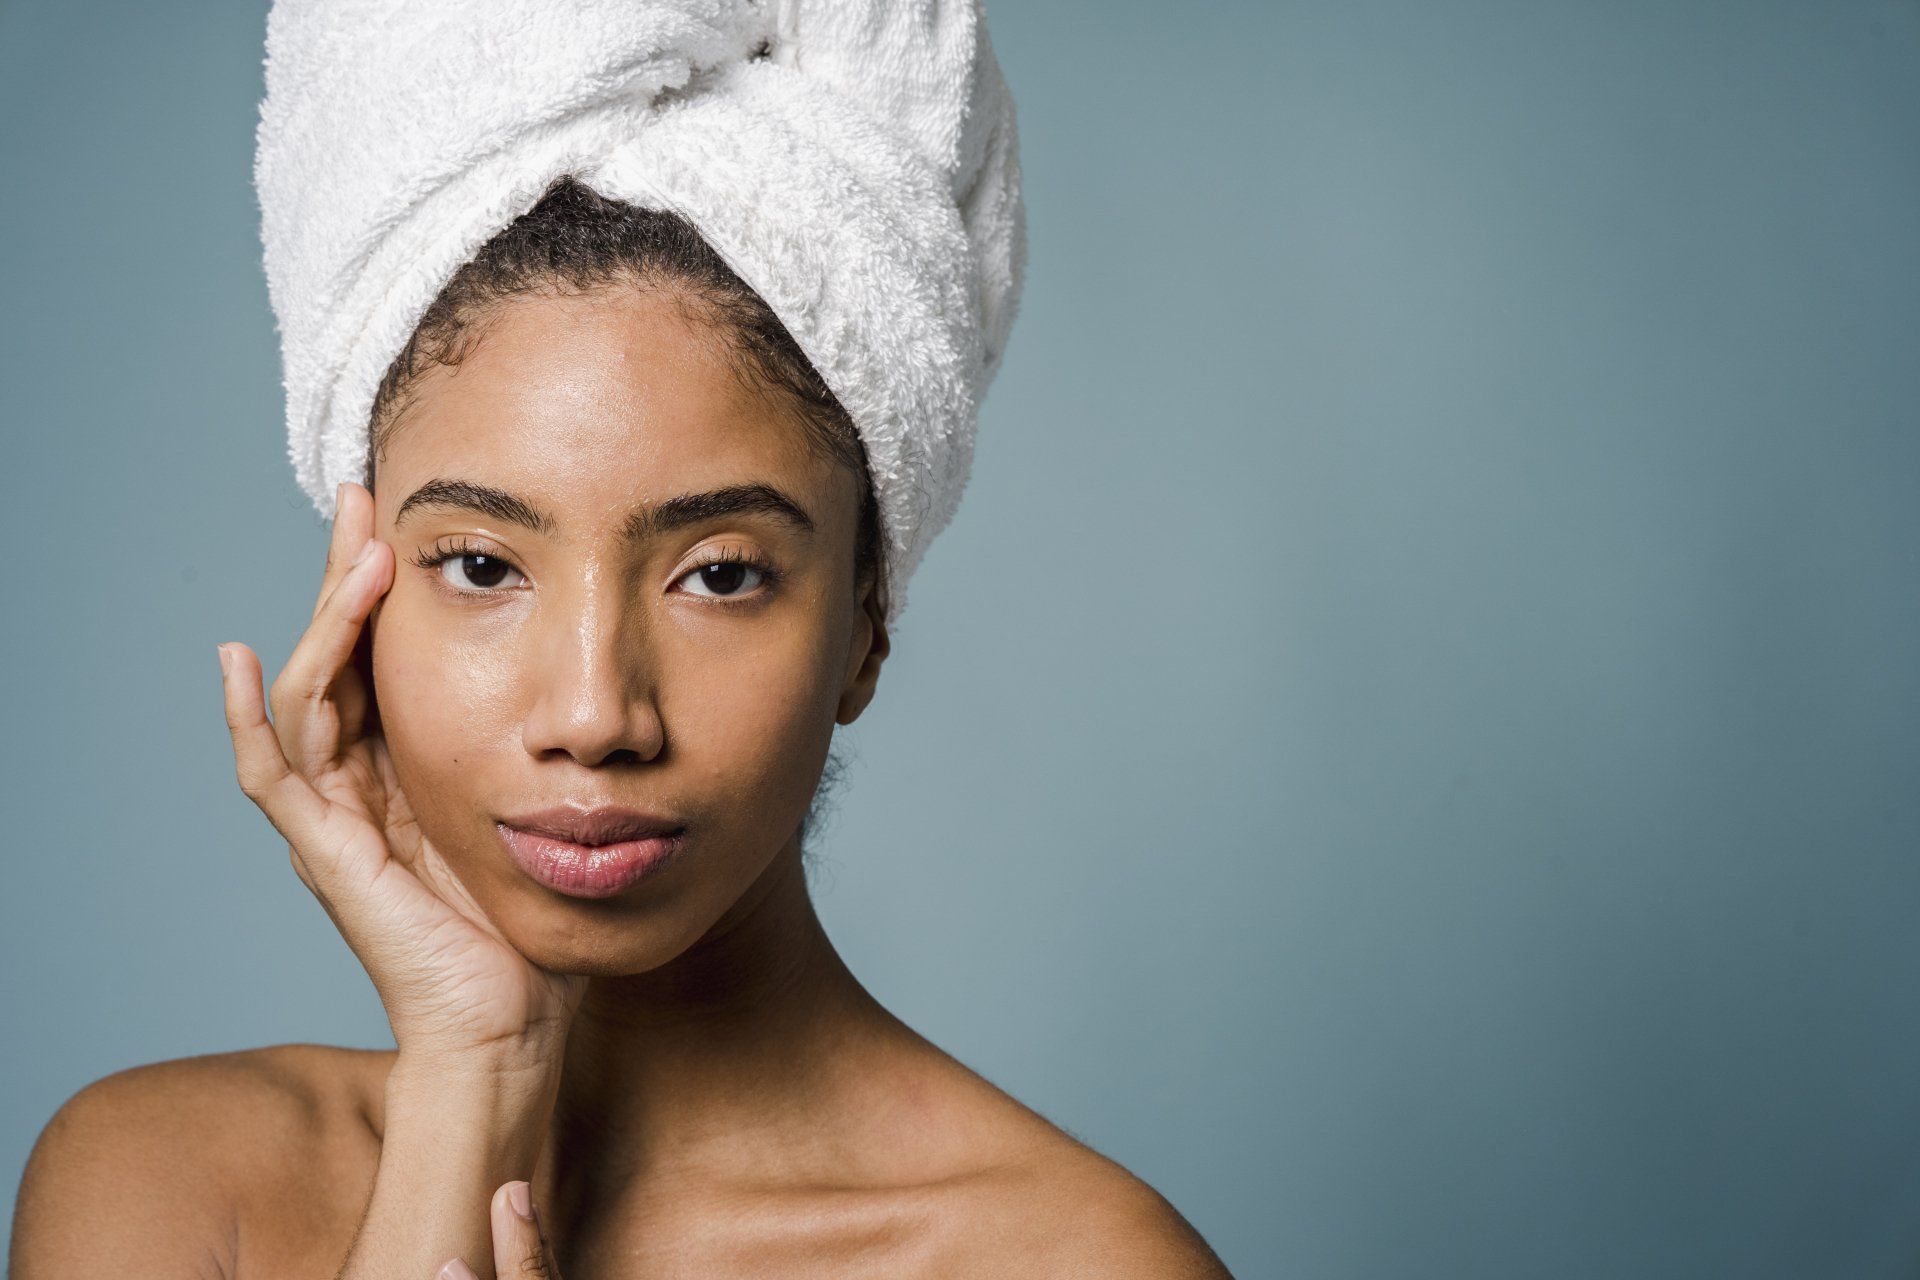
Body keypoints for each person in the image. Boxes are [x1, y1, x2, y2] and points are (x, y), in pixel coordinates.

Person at [9, 173, 1233, 1277]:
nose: (595, 716)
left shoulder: (1079, 1260)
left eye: (720, 574)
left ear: (865, 627)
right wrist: (472, 1066)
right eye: (484, 564)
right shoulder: (162, 1183)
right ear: (359, 604)